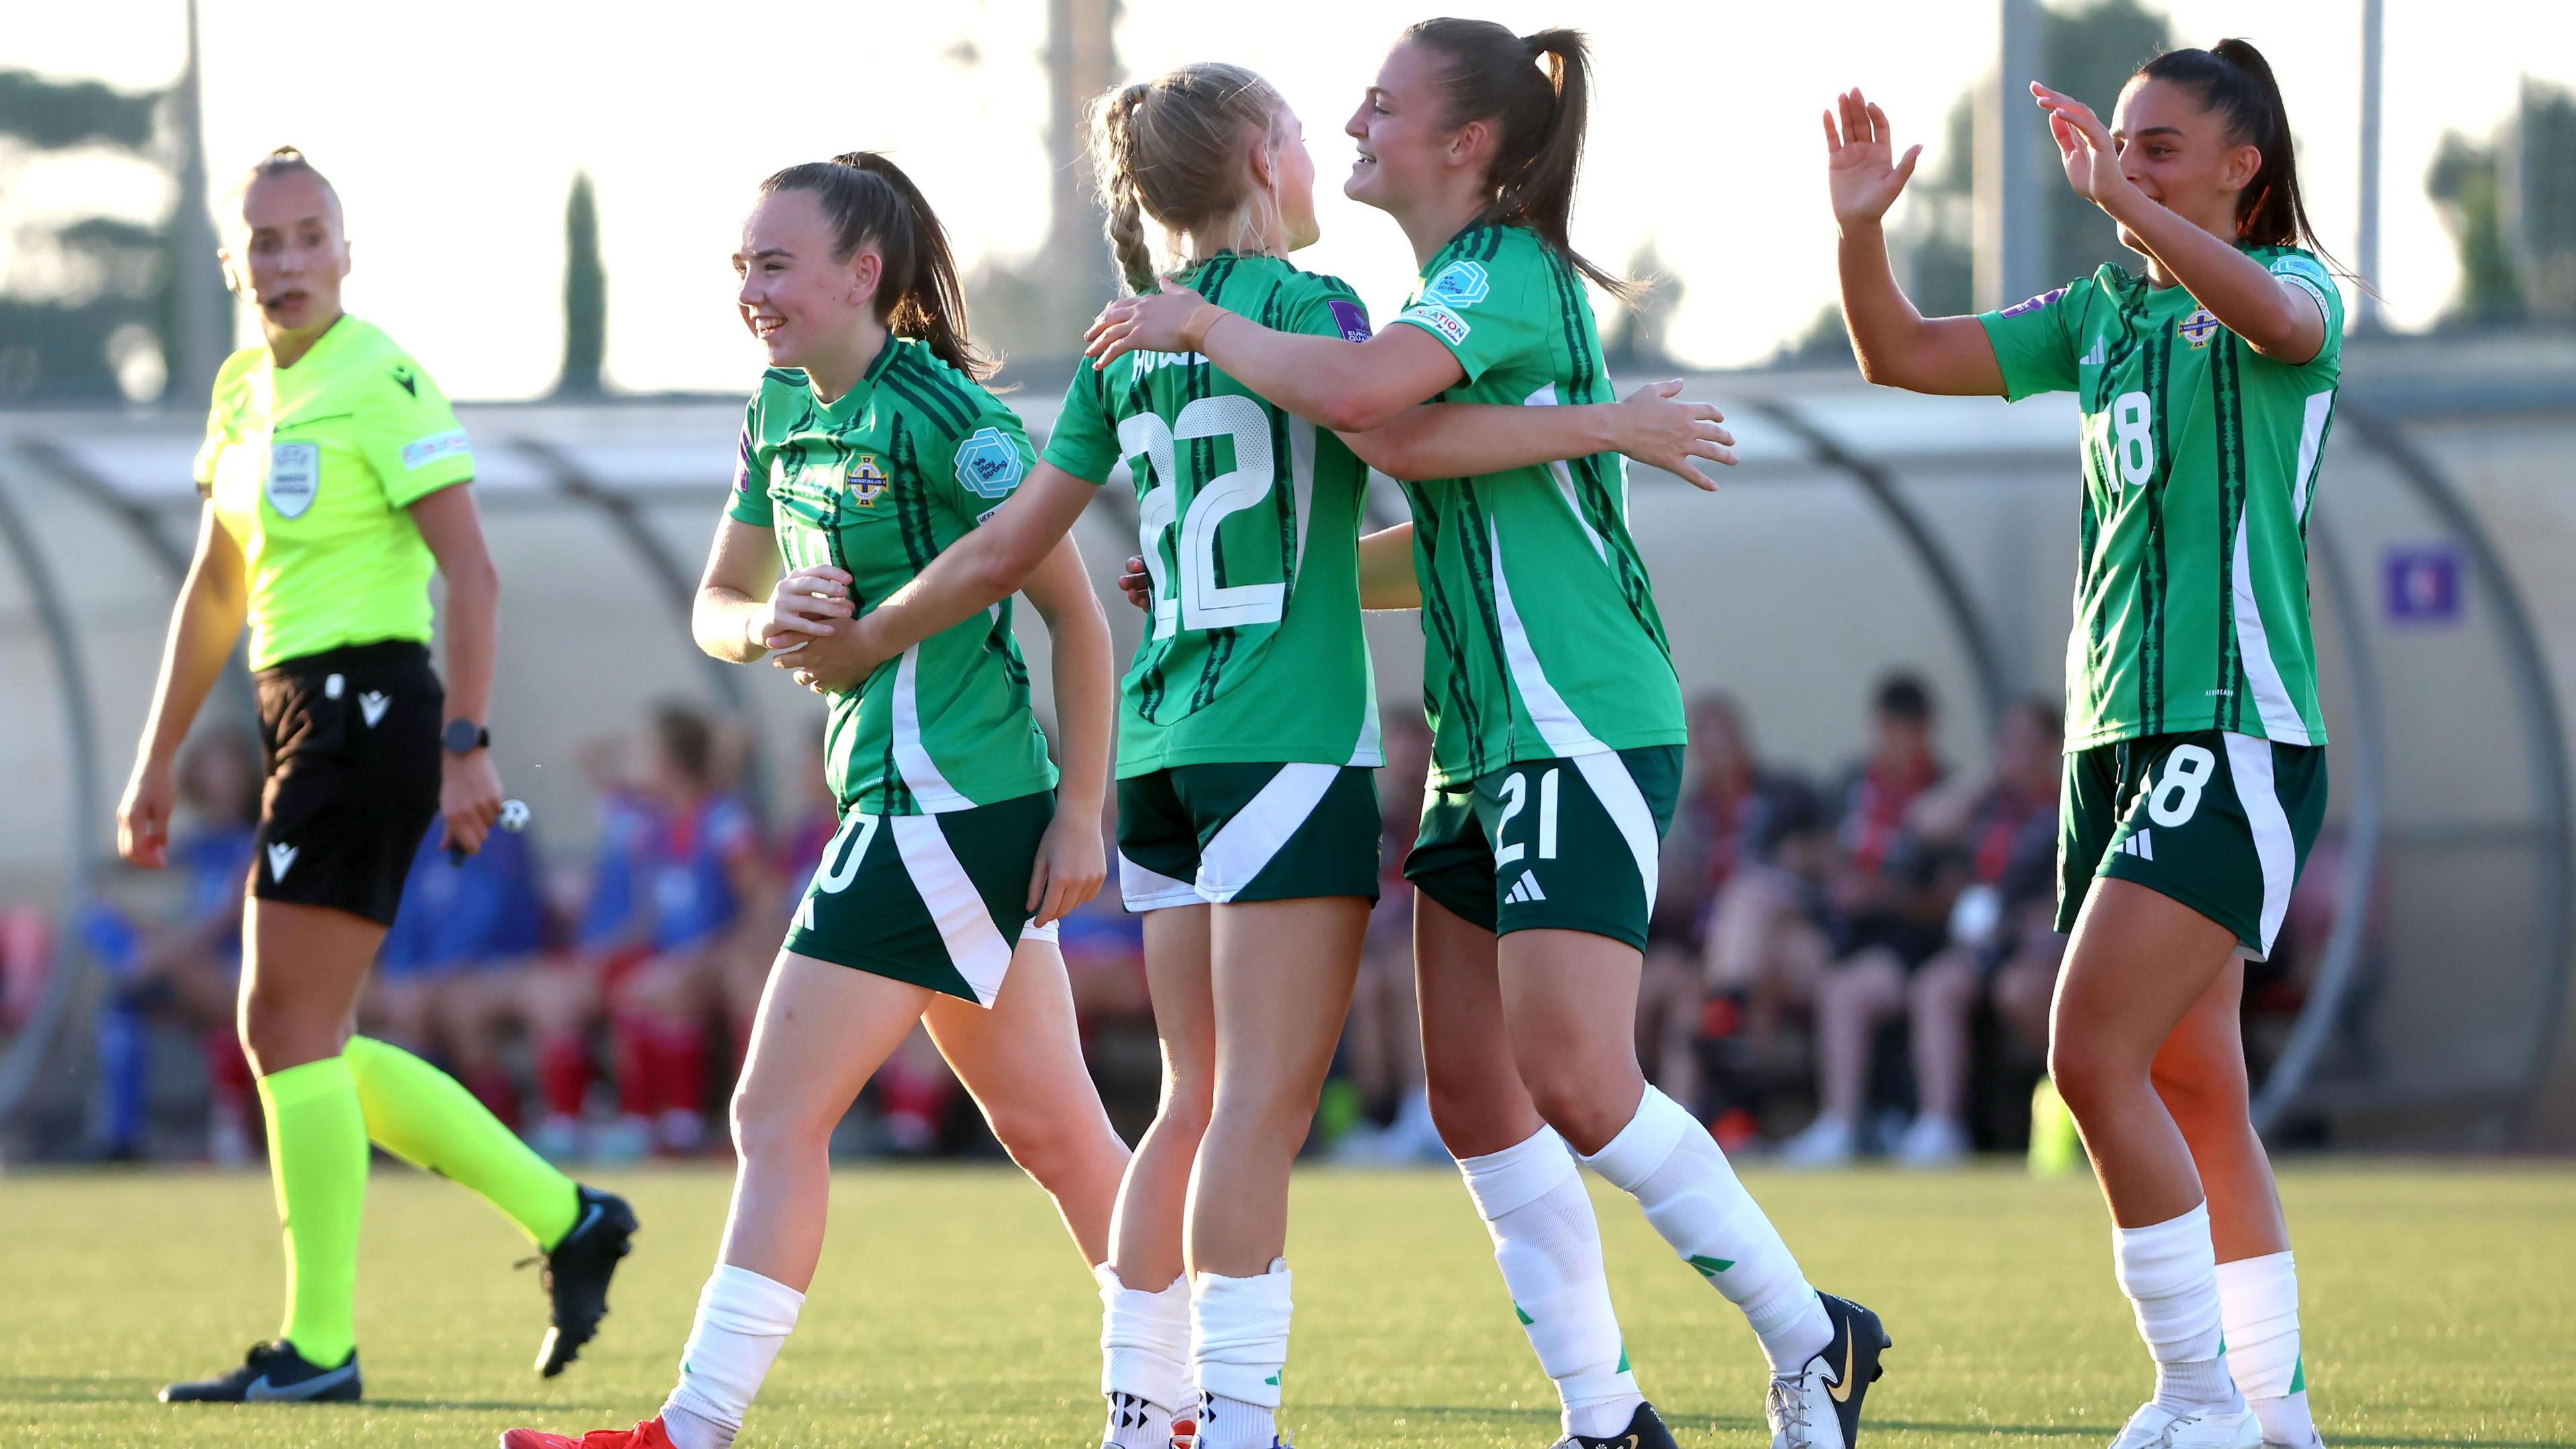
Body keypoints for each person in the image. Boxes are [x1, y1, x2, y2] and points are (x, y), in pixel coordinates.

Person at [833, 57, 1732, 1449]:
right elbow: (1406, 434)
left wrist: (872, 632)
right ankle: (1237, 1423)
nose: (1328, 150)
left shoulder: (1121, 338)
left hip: (1158, 750)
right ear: (1258, 158)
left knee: (1190, 1105)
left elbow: (1015, 546)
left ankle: (1147, 1418)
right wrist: (1602, 424)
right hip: (1280, 748)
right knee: (1256, 1109)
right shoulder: (1316, 312)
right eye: (1306, 132)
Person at [1085, 23, 1888, 1449]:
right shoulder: (1429, 293)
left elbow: (1365, 417)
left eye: (1386, 104)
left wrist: (1202, 324)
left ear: (1468, 146)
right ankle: (1605, 1416)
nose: (1354, 120)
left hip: (1578, 717)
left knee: (1577, 1077)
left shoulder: (1500, 269)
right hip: (1480, 740)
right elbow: (1408, 475)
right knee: (1474, 1099)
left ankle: (1810, 1333)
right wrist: (1285, 570)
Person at [500, 150, 1132, 1449]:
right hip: (905, 810)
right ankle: (1198, 1405)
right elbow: (715, 607)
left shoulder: (948, 416)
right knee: (1059, 1134)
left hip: (943, 808)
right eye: (743, 266)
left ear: (865, 273)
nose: (753, 290)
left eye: (775, 263)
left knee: (771, 1114)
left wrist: (1082, 813)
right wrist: (761, 618)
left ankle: (693, 1426)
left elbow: (1074, 616)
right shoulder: (775, 409)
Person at [1826, 39, 2339, 1449]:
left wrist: (2140, 211)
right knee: (2192, 1082)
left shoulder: (2287, 290)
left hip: (2229, 726)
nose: (2124, 164)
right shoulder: (2106, 309)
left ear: (2244, 170)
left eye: (2162, 147)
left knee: (2086, 1053)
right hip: (2112, 744)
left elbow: (2285, 334)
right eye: (2122, 142)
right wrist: (1861, 232)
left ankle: (2196, 1396)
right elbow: (1901, 353)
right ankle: (2272, 1408)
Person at [121, 147, 634, 1405]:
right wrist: (156, 758)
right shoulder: (241, 390)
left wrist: (468, 745)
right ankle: (567, 1216)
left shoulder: (385, 377)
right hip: (295, 709)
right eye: (266, 241)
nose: (287, 260)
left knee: (281, 1027)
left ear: (346, 255)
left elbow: (475, 575)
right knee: (309, 1039)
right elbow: (216, 587)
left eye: (310, 237)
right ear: (237, 260)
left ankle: (322, 1348)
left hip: (372, 709)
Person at [1782, 696, 2061, 1168]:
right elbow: (1924, 823)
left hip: (2034, 946)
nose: (2018, 751)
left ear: (2053, 746)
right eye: (2009, 741)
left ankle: (1947, 1122)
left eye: (2029, 742)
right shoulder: (1983, 800)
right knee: (1861, 987)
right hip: (1965, 944)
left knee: (1942, 987)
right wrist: (1984, 778)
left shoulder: (2065, 803)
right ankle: (1847, 1126)